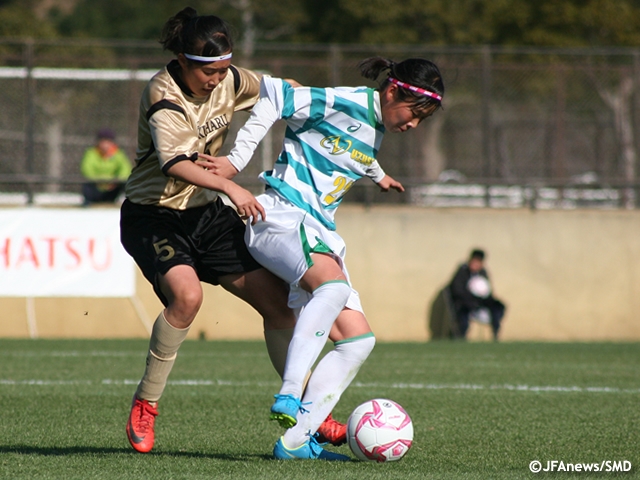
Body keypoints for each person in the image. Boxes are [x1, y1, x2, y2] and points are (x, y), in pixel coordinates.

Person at [119, 7, 344, 455]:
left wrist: (316, 105)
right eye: (209, 72)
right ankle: (146, 402)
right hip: (154, 216)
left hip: (206, 214)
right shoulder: (162, 94)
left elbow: (282, 91)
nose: (218, 80)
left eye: (224, 70)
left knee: (278, 305)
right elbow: (175, 164)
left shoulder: (230, 80)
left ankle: (308, 414)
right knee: (187, 298)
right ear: (182, 61)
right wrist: (230, 185)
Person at [204, 56, 444, 460]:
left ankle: (295, 442)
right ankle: (290, 391)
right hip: (281, 217)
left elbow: (350, 147)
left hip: (317, 231)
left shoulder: (373, 126)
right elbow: (275, 95)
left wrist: (379, 175)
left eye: (423, 119)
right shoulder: (344, 101)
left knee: (358, 340)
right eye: (414, 113)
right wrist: (234, 162)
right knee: (332, 289)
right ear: (392, 92)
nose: (414, 125)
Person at [448, 248, 506, 340]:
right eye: (474, 261)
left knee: (498, 306)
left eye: (478, 262)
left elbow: (487, 290)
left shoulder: (483, 272)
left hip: (480, 301)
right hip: (465, 302)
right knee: (463, 313)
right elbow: (457, 290)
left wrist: (485, 298)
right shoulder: (462, 271)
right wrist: (470, 299)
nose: (475, 264)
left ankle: (495, 332)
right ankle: (461, 335)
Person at [80, 128, 132, 206]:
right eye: (103, 141)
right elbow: (87, 169)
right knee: (87, 184)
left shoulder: (118, 154)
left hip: (113, 187)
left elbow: (125, 169)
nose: (105, 144)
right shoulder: (91, 153)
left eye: (108, 141)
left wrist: (115, 181)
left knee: (126, 183)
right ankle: (87, 204)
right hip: (96, 187)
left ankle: (129, 203)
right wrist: (99, 181)